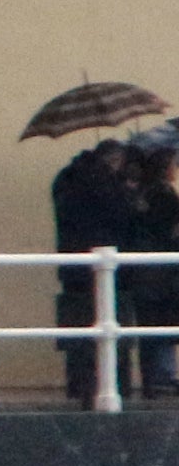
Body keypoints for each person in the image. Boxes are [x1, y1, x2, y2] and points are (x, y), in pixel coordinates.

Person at [56, 129, 144, 407]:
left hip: (73, 267)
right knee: (110, 329)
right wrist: (132, 195)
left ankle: (81, 386)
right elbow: (122, 216)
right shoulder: (106, 184)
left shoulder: (66, 178)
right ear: (114, 159)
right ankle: (112, 386)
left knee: (81, 331)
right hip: (110, 271)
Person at [122, 126, 179, 407]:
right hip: (161, 275)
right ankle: (160, 377)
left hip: (143, 273)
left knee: (149, 326)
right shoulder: (163, 196)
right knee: (162, 324)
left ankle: (153, 379)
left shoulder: (139, 195)